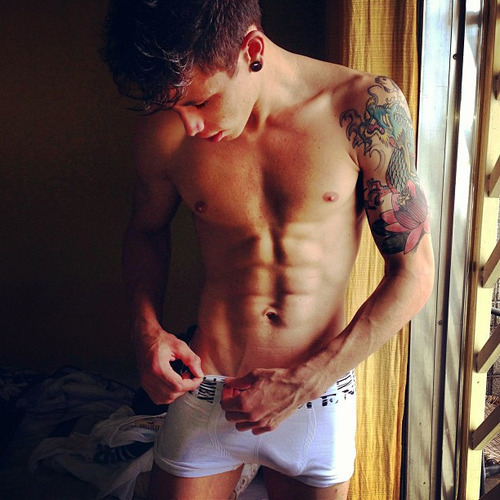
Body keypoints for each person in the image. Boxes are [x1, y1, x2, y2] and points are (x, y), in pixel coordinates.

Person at [102, 1, 434, 498]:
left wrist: (306, 381)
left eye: (201, 102)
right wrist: (146, 330)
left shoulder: (363, 108)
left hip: (316, 397)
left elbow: (414, 273)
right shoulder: (164, 128)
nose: (189, 125)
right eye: (176, 106)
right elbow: (146, 231)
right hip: (208, 390)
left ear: (251, 50)